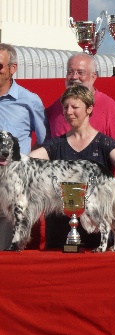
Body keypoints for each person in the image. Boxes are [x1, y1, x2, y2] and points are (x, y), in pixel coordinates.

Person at [30, 84, 115, 249]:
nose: (69, 112)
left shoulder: (104, 143)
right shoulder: (55, 145)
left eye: (75, 107)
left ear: (89, 109)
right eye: (65, 107)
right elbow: (27, 161)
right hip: (59, 233)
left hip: (95, 234)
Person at [46, 52, 115, 183]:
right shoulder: (55, 107)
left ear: (93, 77)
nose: (74, 77)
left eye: (80, 72)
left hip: (97, 190)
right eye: (70, 72)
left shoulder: (109, 107)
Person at [0, 43, 48, 250]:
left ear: (13, 68)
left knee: (6, 252)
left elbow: (46, 142)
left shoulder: (29, 101)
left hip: (12, 184)